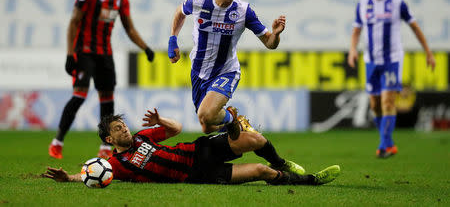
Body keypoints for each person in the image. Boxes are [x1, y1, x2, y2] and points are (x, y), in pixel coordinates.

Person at [44, 109, 340, 186]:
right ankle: (310, 181)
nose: (125, 129)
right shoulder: (116, 166)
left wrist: (160, 120)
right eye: (118, 129)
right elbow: (92, 174)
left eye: (123, 125)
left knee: (255, 139)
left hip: (198, 150)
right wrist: (67, 177)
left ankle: (284, 163)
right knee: (261, 170)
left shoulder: (143, 137)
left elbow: (174, 130)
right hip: (199, 174)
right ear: (109, 140)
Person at [48, 0, 155, 160]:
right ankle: (58, 141)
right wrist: (70, 54)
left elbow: (129, 28)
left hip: (105, 54)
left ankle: (105, 148)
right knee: (79, 95)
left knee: (107, 102)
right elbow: (73, 22)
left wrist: (146, 48)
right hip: (84, 52)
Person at [167, 0, 286, 141]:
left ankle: (234, 121)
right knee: (207, 126)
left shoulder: (244, 11)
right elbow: (180, 11)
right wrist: (173, 39)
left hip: (226, 70)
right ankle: (234, 121)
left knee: (206, 114)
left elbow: (270, 44)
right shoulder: (199, 1)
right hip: (199, 72)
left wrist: (275, 35)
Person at [347, 0, 436, 158]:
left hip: (392, 60)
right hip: (371, 61)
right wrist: (353, 50)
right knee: (375, 104)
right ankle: (388, 143)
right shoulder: (363, 4)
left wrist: (428, 52)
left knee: (388, 101)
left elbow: (415, 27)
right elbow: (356, 31)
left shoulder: (397, 3)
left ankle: (384, 145)